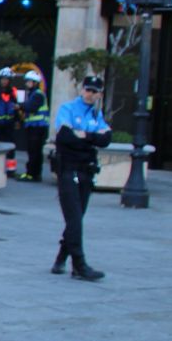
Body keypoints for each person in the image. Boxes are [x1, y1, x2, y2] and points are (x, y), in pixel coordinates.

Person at [52, 75, 111, 280]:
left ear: (100, 94)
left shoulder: (96, 114)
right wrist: (90, 138)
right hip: (68, 170)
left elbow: (106, 139)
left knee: (78, 216)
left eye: (95, 91)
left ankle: (61, 257)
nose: (90, 94)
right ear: (81, 90)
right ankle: (79, 264)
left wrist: (84, 136)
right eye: (88, 90)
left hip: (86, 170)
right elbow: (64, 137)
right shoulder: (68, 109)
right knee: (74, 217)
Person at [17, 68, 50, 181]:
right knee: (34, 151)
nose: (27, 83)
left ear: (35, 83)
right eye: (27, 81)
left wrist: (20, 106)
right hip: (35, 126)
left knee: (34, 151)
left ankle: (32, 174)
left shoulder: (37, 95)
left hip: (37, 127)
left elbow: (30, 107)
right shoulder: (33, 94)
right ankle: (35, 173)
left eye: (29, 81)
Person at [0, 66, 19, 176]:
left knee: (10, 146)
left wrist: (17, 121)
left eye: (7, 79)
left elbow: (18, 108)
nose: (5, 81)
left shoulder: (15, 91)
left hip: (9, 124)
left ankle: (11, 170)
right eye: (3, 79)